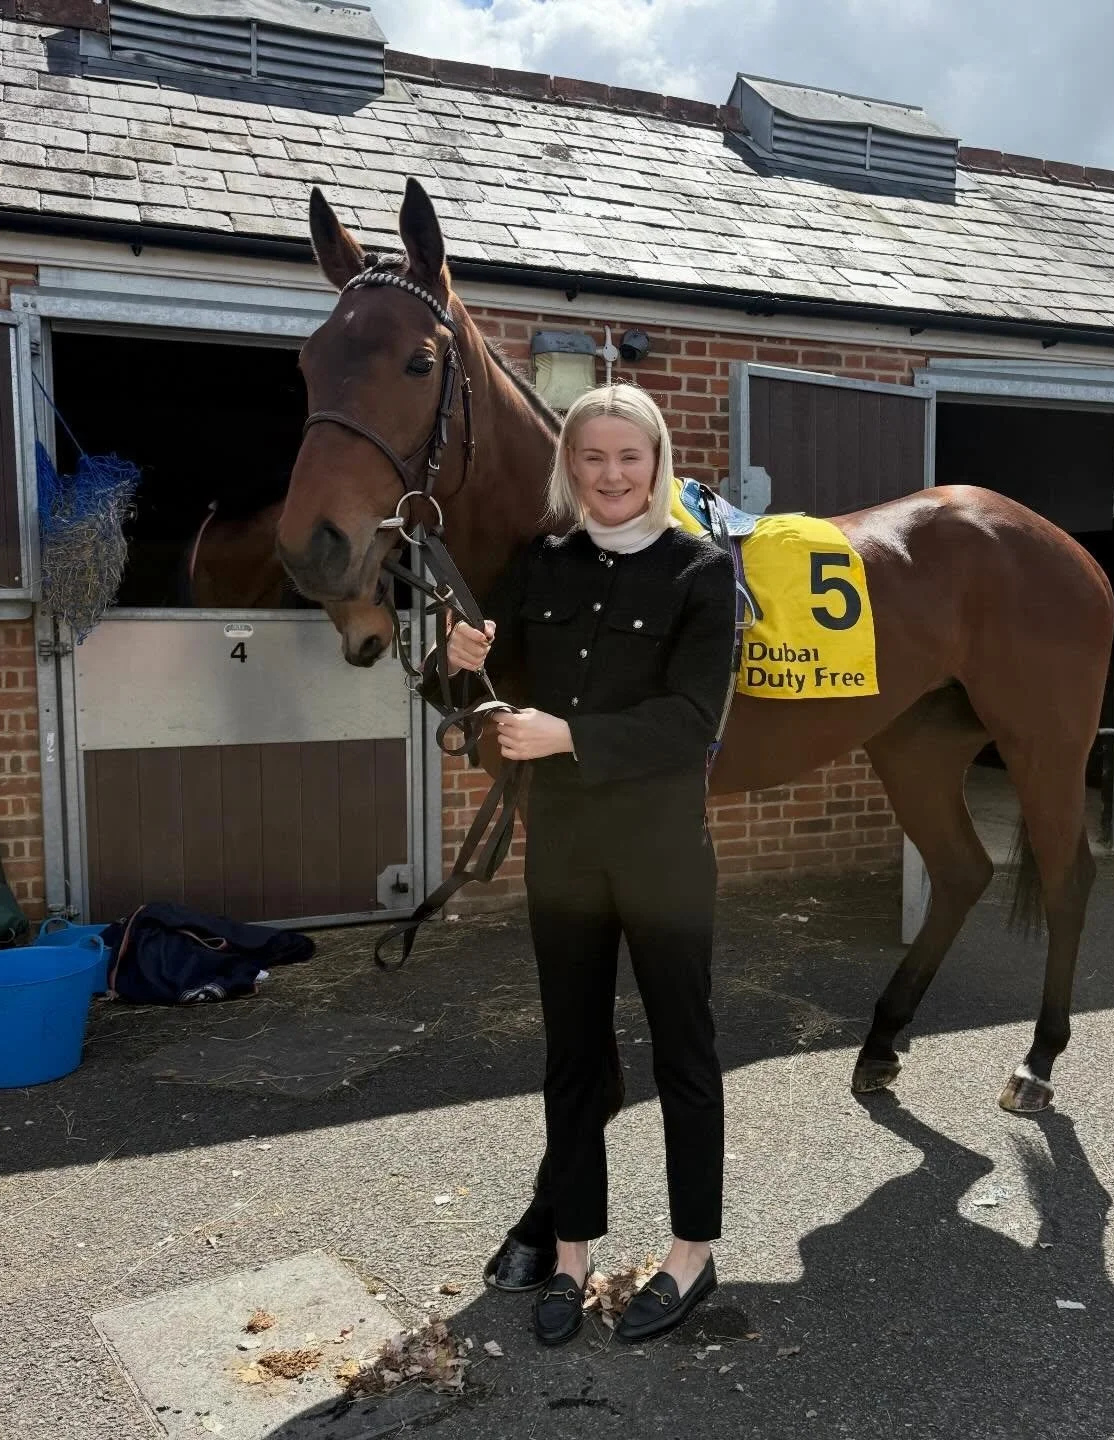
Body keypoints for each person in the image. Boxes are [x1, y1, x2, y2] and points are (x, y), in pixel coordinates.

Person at [438, 383, 736, 1346]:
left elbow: (693, 723)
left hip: (661, 858)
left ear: (658, 465)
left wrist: (567, 734)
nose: (611, 476)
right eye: (592, 458)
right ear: (571, 466)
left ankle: (691, 1251)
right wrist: (463, 658)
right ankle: (571, 1253)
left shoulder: (700, 571)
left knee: (684, 1053)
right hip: (563, 853)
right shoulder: (542, 562)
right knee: (570, 1055)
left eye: (629, 458)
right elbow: (494, 688)